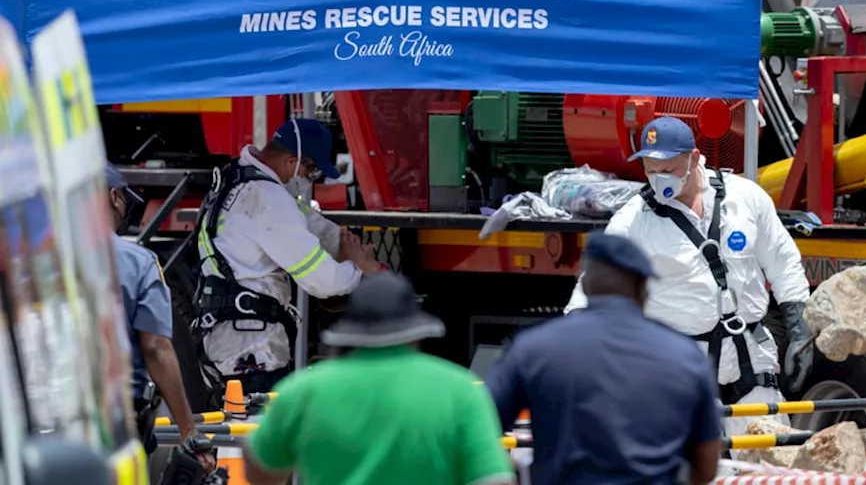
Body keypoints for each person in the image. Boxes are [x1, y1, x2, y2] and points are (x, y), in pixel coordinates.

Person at [563, 117, 813, 438]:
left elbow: (783, 262)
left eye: (666, 170)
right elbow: (592, 287)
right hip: (677, 369)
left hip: (751, 359)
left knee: (767, 466)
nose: (658, 180)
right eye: (650, 171)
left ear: (694, 158)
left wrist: (799, 325)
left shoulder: (744, 198)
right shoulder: (635, 219)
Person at [485, 233, 722, 485]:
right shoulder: (685, 354)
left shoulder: (532, 347)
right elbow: (706, 465)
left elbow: (476, 427)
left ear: (586, 285)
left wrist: (521, 475)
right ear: (642, 286)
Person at [244, 272, 514, 485]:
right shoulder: (460, 390)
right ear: (417, 331)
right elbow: (493, 480)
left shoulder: (303, 390)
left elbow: (260, 468)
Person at [194, 118, 386, 394]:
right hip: (251, 349)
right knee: (257, 432)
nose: (308, 179)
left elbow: (306, 223)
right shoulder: (268, 198)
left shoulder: (239, 177)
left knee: (234, 429)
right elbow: (323, 281)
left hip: (229, 337)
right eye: (311, 171)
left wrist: (345, 245)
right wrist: (357, 268)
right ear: (292, 160)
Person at [105, 165, 213, 473]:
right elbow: (155, 347)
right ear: (114, 198)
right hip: (118, 425)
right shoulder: (139, 263)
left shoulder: (36, 260)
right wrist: (188, 430)